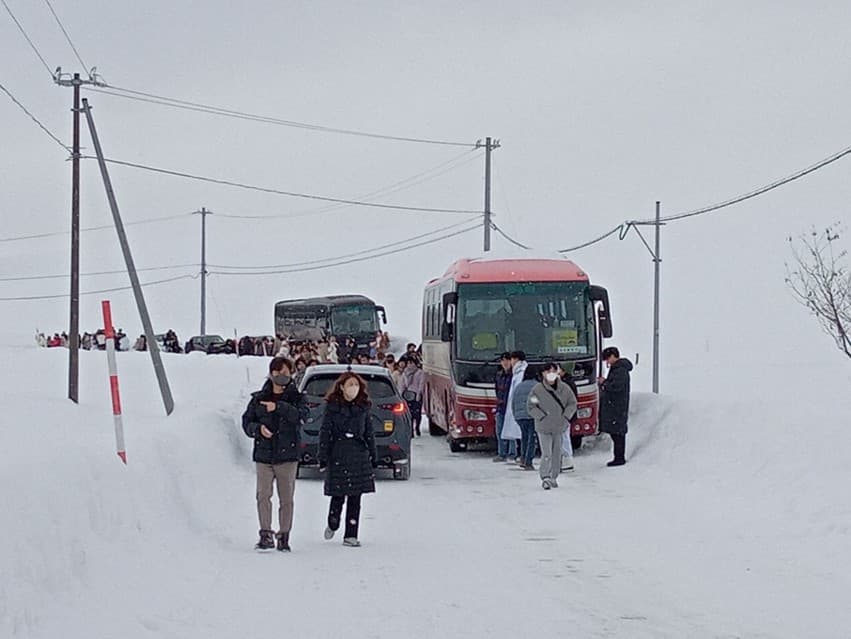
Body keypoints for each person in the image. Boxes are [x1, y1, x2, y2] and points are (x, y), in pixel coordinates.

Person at [241, 357, 303, 552]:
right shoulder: (258, 398)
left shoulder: (297, 398)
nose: (280, 377)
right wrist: (258, 429)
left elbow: (302, 416)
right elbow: (246, 422)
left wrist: (279, 407)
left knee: (286, 498)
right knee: (263, 495)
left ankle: (284, 535)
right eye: (276, 373)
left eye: (284, 373)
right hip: (264, 455)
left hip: (288, 455)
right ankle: (265, 533)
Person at [319, 372, 377, 547]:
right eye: (350, 385)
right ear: (342, 387)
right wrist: (322, 456)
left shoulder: (363, 408)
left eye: (356, 385)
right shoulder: (332, 407)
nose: (354, 388)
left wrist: (374, 455)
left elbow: (369, 432)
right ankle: (333, 521)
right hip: (338, 453)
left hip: (358, 454)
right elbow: (325, 432)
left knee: (355, 496)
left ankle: (351, 534)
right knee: (338, 494)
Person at [527, 362, 577, 489]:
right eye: (547, 372)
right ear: (543, 374)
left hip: (559, 427)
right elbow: (531, 406)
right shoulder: (537, 390)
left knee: (557, 453)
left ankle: (554, 476)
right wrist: (541, 416)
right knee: (547, 453)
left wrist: (566, 416)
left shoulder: (565, 389)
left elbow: (572, 403)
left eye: (553, 371)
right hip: (543, 427)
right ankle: (545, 477)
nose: (550, 374)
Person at [597, 346, 633, 467]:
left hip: (617, 407)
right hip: (616, 406)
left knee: (618, 433)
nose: (607, 362)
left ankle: (619, 458)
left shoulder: (620, 370)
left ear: (613, 356)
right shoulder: (618, 369)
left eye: (607, 359)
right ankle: (618, 457)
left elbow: (616, 387)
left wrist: (604, 383)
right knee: (616, 433)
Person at [512, 364, 539, 470]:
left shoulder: (519, 386)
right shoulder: (537, 386)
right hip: (531, 415)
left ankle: (522, 458)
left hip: (520, 416)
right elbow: (537, 401)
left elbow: (513, 402)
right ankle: (528, 462)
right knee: (531, 439)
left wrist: (515, 415)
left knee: (524, 437)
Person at [492, 352, 516, 462]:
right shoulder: (499, 375)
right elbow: (497, 390)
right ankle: (501, 453)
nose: (505, 363)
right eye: (503, 360)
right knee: (499, 430)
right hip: (501, 407)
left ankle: (512, 453)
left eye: (507, 360)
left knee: (511, 431)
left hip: (510, 407)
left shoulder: (515, 375)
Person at [501, 350, 526, 452]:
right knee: (520, 432)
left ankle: (522, 454)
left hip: (520, 408)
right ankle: (520, 454)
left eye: (511, 359)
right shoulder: (516, 371)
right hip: (518, 407)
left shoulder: (521, 372)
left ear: (516, 359)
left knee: (522, 432)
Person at [398, 355, 425, 437]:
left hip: (416, 395)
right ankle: (411, 430)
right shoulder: (405, 373)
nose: (410, 365)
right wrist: (401, 394)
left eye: (411, 363)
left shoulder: (419, 372)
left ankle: (417, 427)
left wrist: (419, 394)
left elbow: (421, 383)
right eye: (408, 363)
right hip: (407, 395)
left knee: (417, 414)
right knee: (409, 414)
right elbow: (402, 384)